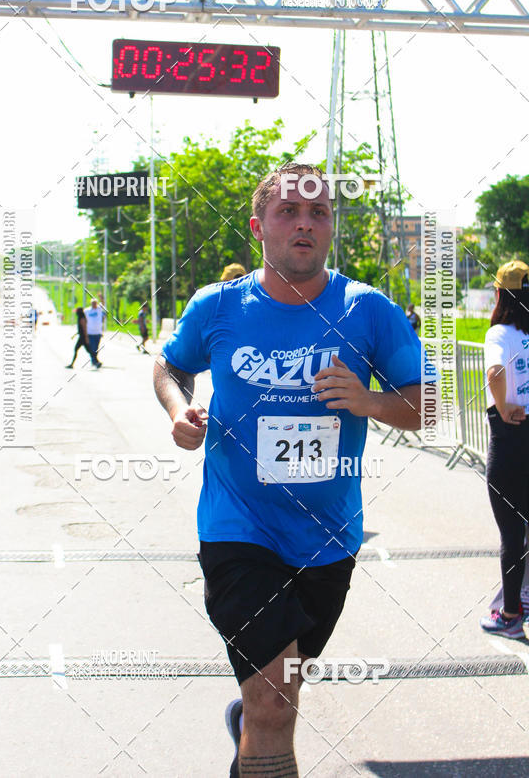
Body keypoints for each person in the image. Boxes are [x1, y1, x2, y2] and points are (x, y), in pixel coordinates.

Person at [153, 162, 424, 778]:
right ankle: (258, 724)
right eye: (288, 212)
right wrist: (179, 411)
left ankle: (249, 728)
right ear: (259, 227)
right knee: (275, 701)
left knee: (278, 694)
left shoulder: (368, 310)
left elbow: (427, 400)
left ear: (332, 228)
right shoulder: (217, 306)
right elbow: (170, 367)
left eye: (318, 212)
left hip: (328, 539)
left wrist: (371, 402)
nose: (304, 223)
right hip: (238, 530)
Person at [479, 259, 529, 639]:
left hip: (511, 440)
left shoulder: (499, 333)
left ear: (500, 294)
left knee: (512, 533)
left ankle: (511, 615)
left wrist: (502, 405)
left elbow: (495, 372)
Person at [85, 299, 104, 366]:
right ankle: (95, 361)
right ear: (91, 303)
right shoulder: (87, 311)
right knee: (93, 347)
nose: (94, 304)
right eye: (93, 303)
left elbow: (103, 305)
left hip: (98, 332)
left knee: (96, 347)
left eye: (95, 303)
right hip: (90, 332)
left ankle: (94, 360)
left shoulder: (99, 310)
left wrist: (102, 298)